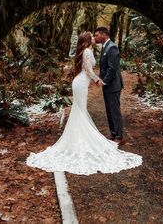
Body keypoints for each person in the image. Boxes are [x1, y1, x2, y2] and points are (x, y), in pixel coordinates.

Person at [27, 31, 142, 175]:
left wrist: (97, 79)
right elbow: (88, 70)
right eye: (92, 36)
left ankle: (79, 138)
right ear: (88, 40)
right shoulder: (87, 51)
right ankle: (82, 139)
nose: (95, 37)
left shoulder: (87, 50)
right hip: (81, 83)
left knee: (79, 111)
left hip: (80, 82)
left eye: (96, 35)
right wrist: (97, 80)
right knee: (80, 111)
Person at [94, 27, 124, 145]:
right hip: (108, 85)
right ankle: (113, 133)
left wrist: (104, 81)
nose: (95, 37)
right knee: (109, 110)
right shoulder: (104, 47)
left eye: (97, 35)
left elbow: (112, 68)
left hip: (113, 85)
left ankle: (119, 136)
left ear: (104, 34)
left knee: (114, 111)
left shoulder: (112, 47)